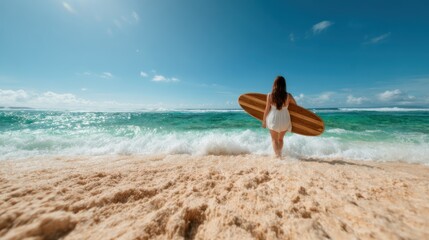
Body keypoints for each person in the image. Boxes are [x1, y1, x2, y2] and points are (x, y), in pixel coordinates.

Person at [262, 76, 296, 158]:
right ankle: (279, 154)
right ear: (284, 85)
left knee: (274, 139)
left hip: (273, 119)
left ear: (274, 84)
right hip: (285, 119)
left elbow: (267, 109)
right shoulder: (289, 96)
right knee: (280, 139)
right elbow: (295, 106)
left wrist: (264, 121)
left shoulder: (270, 95)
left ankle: (277, 155)